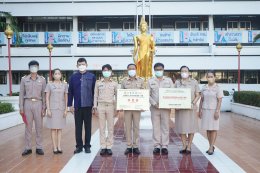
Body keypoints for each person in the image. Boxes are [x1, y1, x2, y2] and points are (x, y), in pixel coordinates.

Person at [68, 58, 96, 154]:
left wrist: (94, 105)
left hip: (88, 106)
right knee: (78, 127)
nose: (81, 66)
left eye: (83, 64)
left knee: (88, 127)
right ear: (77, 66)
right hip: (77, 106)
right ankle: (79, 146)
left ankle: (87, 146)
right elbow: (70, 92)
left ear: (86, 65)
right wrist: (69, 105)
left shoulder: (92, 76)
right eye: (79, 64)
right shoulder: (73, 77)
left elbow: (94, 92)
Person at [19, 60, 46, 156]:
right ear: (29, 68)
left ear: (38, 68)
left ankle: (39, 147)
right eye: (32, 66)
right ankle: (28, 147)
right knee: (28, 127)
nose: (33, 68)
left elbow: (44, 94)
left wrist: (44, 107)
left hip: (38, 103)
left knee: (39, 126)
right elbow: (21, 94)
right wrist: (21, 107)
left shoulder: (42, 79)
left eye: (35, 66)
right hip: (27, 104)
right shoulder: (24, 79)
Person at [148, 62, 174, 155]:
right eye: (157, 69)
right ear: (154, 70)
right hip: (155, 108)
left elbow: (172, 93)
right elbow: (148, 95)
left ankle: (164, 146)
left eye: (160, 69)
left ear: (163, 70)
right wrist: (154, 103)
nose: (159, 71)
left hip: (166, 108)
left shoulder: (169, 81)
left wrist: (169, 103)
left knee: (165, 127)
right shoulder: (150, 81)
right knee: (156, 127)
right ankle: (156, 145)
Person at [175, 65, 200, 154]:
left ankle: (189, 146)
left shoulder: (194, 82)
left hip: (191, 109)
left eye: (186, 71)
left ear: (189, 73)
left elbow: (198, 95)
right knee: (182, 128)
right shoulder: (177, 83)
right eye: (182, 71)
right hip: (180, 109)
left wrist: (192, 103)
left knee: (191, 127)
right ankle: (184, 145)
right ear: (180, 73)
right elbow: (174, 95)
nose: (184, 73)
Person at [93, 64, 118, 156]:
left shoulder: (114, 83)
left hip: (111, 106)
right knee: (102, 127)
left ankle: (109, 146)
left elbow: (117, 96)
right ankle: (103, 146)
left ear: (111, 72)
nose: (106, 72)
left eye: (107, 70)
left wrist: (117, 108)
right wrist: (95, 107)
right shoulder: (98, 83)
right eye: (104, 70)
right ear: (102, 72)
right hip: (101, 106)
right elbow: (95, 95)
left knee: (111, 127)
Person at [121, 63, 145, 155]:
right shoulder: (124, 81)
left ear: (136, 69)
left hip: (137, 108)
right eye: (130, 69)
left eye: (133, 68)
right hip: (127, 108)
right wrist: (121, 105)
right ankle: (128, 145)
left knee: (136, 127)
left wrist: (143, 105)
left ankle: (135, 146)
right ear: (127, 70)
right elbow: (121, 94)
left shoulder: (141, 81)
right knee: (127, 127)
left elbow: (143, 94)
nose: (132, 70)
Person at [199, 70, 223, 155]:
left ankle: (211, 147)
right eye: (208, 77)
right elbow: (201, 100)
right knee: (208, 129)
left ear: (214, 77)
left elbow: (219, 100)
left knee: (213, 129)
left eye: (211, 76)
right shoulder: (204, 87)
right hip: (205, 110)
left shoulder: (218, 88)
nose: (210, 78)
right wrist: (200, 110)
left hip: (214, 111)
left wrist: (217, 111)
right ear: (206, 78)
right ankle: (210, 146)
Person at [45, 68, 68, 154]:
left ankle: (59, 146)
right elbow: (47, 98)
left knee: (59, 129)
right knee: (53, 129)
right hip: (53, 109)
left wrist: (66, 109)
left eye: (59, 73)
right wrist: (48, 109)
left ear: (61, 75)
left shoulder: (64, 85)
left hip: (61, 109)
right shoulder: (49, 85)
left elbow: (66, 98)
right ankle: (54, 147)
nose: (57, 75)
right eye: (56, 73)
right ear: (53, 75)